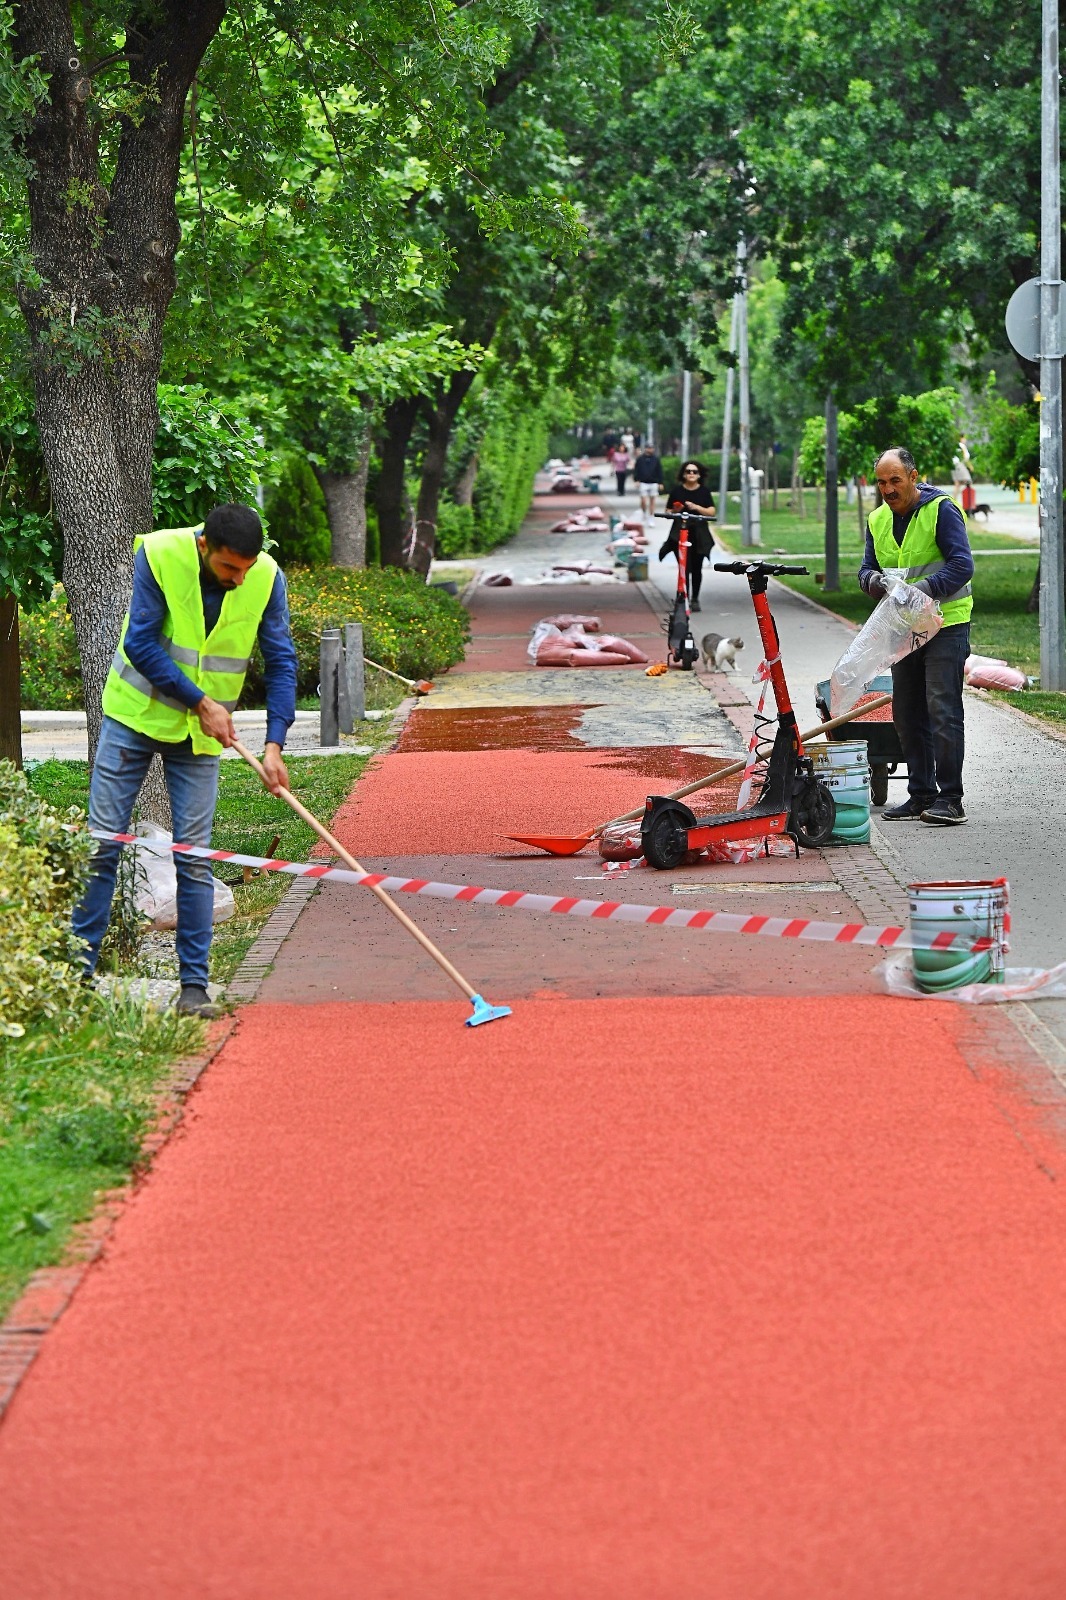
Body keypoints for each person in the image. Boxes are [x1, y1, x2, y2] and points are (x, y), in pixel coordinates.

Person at [72, 505, 298, 1015]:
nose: (239, 579)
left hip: (199, 738)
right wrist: (203, 702)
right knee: (102, 845)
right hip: (133, 718)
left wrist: (274, 744)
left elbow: (282, 661)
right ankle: (78, 978)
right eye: (228, 569)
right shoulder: (160, 552)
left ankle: (193, 991)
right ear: (204, 548)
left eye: (246, 567)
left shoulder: (264, 577)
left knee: (195, 859)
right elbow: (140, 643)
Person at [858, 447, 974, 825]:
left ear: (913, 476)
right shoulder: (877, 519)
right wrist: (873, 581)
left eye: (895, 480)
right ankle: (921, 795)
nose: (888, 489)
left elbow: (961, 565)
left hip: (945, 624)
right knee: (907, 712)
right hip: (903, 629)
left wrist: (920, 590)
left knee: (942, 708)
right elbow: (866, 570)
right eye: (881, 482)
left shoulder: (941, 510)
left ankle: (950, 799)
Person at [658, 460, 716, 611]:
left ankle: (695, 598)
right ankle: (683, 597)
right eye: (688, 471)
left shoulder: (704, 491)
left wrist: (696, 507)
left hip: (699, 534)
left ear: (699, 475)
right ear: (683, 474)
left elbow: (711, 511)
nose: (691, 474)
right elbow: (668, 511)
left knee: (696, 568)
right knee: (684, 567)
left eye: (694, 472)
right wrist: (676, 510)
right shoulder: (677, 491)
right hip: (680, 533)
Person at [632, 443, 664, 518]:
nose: (650, 449)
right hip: (643, 482)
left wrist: (660, 482)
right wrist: (636, 480)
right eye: (649, 448)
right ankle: (643, 512)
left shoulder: (656, 459)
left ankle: (651, 516)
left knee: (652, 501)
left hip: (653, 482)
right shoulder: (640, 459)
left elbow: (659, 471)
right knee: (643, 500)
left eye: (651, 448)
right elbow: (636, 470)